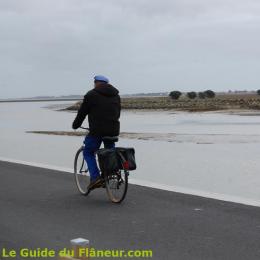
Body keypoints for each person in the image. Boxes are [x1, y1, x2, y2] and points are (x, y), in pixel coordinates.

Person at [72, 75, 121, 190]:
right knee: (110, 152)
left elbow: (82, 112)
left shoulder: (91, 94)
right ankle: (112, 175)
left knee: (88, 152)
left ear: (96, 83)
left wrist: (76, 125)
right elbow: (118, 113)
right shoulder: (116, 95)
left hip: (97, 131)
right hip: (113, 130)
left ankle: (95, 178)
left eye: (94, 82)